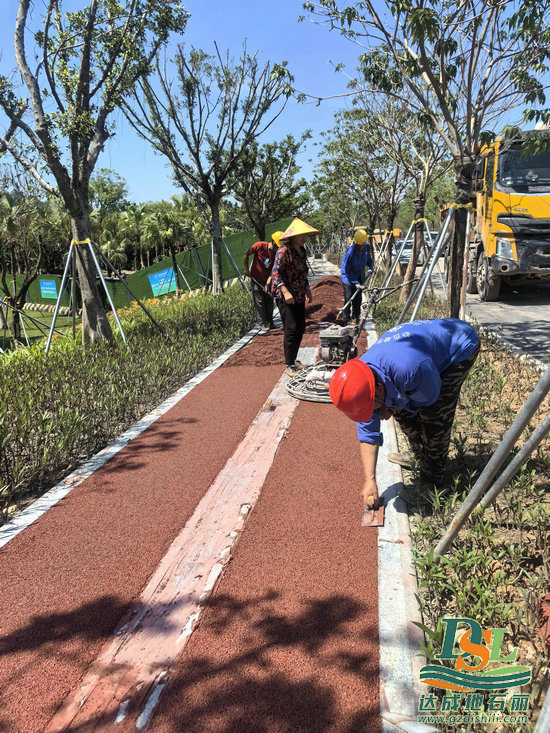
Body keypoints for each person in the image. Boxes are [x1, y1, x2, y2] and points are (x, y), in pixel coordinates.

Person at [329, 318, 480, 507]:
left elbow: (430, 399)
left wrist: (392, 407)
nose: (371, 414)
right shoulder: (360, 383)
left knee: (435, 417)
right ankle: (420, 456)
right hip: (418, 356)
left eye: (372, 408)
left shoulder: (411, 370)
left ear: (378, 389)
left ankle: (433, 482)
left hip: (460, 345)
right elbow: (368, 435)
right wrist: (370, 480)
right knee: (401, 411)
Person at [270, 217, 318, 377]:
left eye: (306, 235)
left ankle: (294, 359)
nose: (304, 238)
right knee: (291, 328)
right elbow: (275, 273)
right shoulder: (283, 251)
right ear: (293, 236)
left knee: (300, 327)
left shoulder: (302, 251)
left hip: (298, 293)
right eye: (301, 235)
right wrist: (285, 291)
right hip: (285, 295)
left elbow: (303, 272)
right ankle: (289, 364)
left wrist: (307, 289)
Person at [243, 231, 284, 333]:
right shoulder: (260, 246)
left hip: (267, 280)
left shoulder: (275, 255)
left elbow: (273, 270)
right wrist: (246, 269)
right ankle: (263, 324)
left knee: (269, 300)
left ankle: (270, 322)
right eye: (277, 247)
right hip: (256, 279)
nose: (278, 250)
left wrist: (268, 283)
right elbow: (246, 254)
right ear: (274, 243)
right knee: (259, 302)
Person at [340, 229, 373, 324]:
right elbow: (347, 270)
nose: (362, 246)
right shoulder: (350, 252)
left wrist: (370, 267)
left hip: (359, 275)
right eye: (360, 244)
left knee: (358, 298)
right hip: (348, 277)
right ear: (356, 242)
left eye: (363, 244)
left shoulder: (367, 247)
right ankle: (346, 318)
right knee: (349, 297)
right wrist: (355, 282)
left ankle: (356, 317)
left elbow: (369, 259)